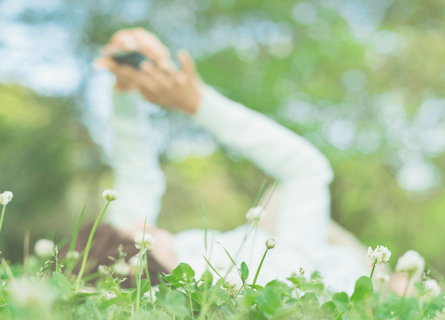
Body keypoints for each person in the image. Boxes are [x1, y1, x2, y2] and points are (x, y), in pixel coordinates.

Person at [94, 28, 375, 294]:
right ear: (139, 264)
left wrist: (124, 89)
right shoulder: (257, 280)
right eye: (138, 237)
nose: (138, 225)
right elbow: (306, 168)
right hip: (341, 267)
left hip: (281, 239)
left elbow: (135, 175)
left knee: (279, 202)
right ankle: (391, 279)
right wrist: (197, 102)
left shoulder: (137, 256)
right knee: (287, 198)